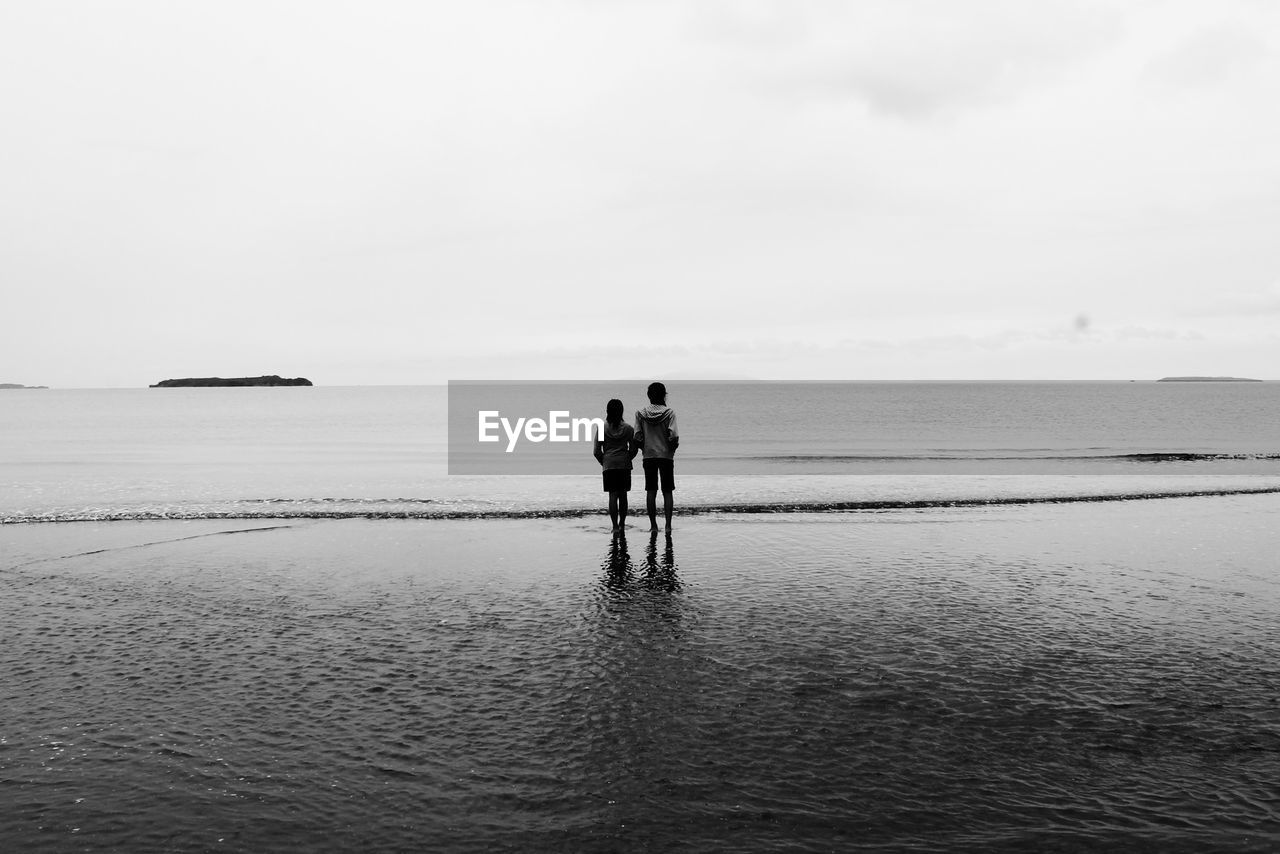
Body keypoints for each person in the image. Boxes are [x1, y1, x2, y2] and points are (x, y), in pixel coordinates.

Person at [634, 381, 679, 531]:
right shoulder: (669, 413)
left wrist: (644, 448)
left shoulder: (640, 414)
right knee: (667, 491)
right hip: (666, 456)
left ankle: (653, 526)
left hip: (649, 456)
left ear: (649, 396)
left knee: (651, 491)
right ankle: (667, 525)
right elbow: (673, 436)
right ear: (664, 395)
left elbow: (637, 437)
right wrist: (672, 450)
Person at [593, 398, 638, 532]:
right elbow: (634, 449)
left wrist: (604, 461)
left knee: (613, 496)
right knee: (623, 495)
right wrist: (627, 457)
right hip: (624, 464)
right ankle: (622, 524)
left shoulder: (602, 428)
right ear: (621, 411)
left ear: (607, 411)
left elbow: (596, 451)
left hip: (609, 465)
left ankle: (615, 527)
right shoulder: (629, 429)